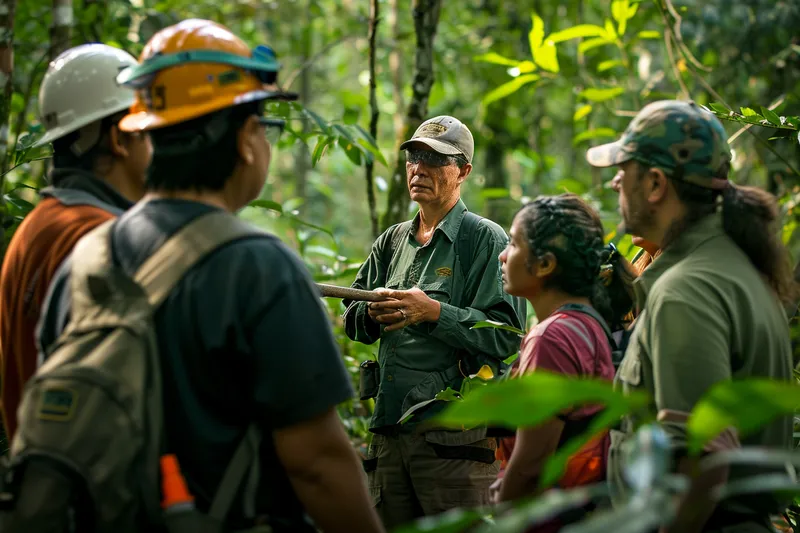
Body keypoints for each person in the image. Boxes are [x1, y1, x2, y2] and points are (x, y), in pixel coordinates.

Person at [37, 19, 384, 533]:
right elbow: (317, 464)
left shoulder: (86, 257)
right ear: (246, 139)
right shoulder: (260, 267)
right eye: (263, 126)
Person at [587, 99, 796, 533]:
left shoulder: (686, 290)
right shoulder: (736, 267)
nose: (615, 185)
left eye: (623, 172)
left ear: (657, 184)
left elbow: (703, 457)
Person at [343, 115, 527, 527]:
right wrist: (371, 312)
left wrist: (434, 313)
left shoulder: (483, 239)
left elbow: (507, 337)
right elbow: (352, 320)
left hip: (455, 444)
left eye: (435, 159)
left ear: (463, 172)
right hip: (389, 434)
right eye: (414, 157)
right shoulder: (391, 241)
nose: (418, 169)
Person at [0, 43, 152, 440]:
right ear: (120, 139)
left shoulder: (35, 228)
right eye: (147, 129)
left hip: (42, 478)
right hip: (93, 485)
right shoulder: (103, 241)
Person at [492, 193, 632, 532]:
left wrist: (502, 507)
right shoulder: (590, 322)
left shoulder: (552, 338)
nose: (502, 255)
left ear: (544, 264)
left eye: (513, 243)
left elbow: (531, 464)